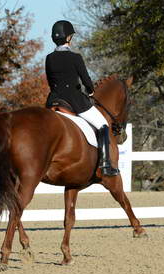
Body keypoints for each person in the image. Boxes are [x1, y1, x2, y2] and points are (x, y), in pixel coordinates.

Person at [45, 20, 119, 176]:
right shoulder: (75, 57)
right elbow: (86, 80)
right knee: (103, 125)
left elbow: (50, 82)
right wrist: (91, 91)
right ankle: (106, 165)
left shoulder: (49, 58)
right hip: (74, 100)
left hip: (53, 100)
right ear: (68, 38)